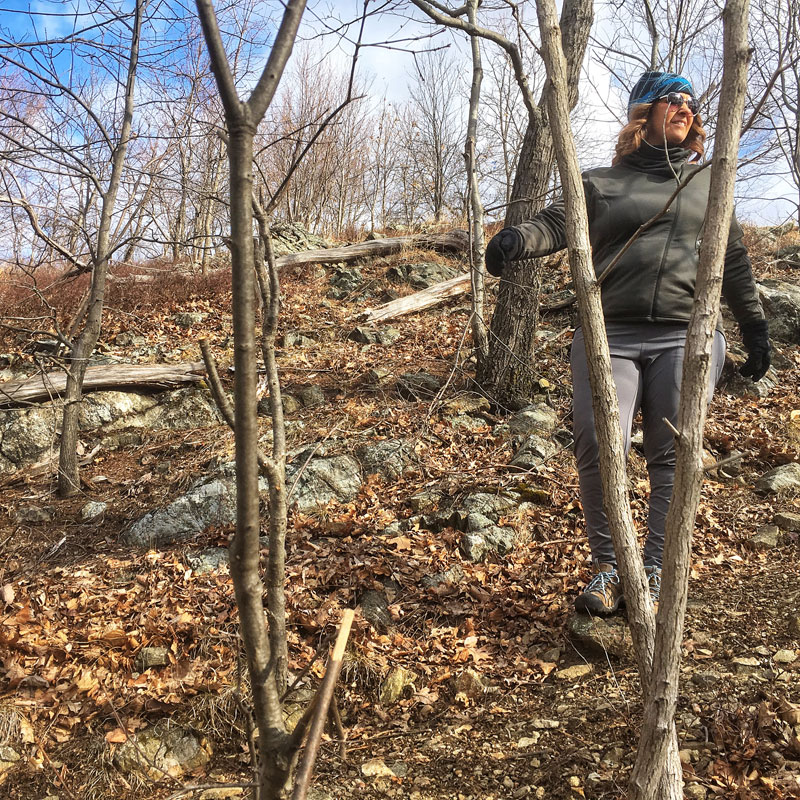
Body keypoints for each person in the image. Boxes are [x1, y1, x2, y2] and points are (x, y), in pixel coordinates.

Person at [484, 71, 771, 615]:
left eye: (691, 102)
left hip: (686, 335)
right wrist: (517, 239)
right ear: (643, 114)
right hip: (608, 333)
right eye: (671, 100)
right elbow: (557, 223)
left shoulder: (710, 180)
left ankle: (659, 568)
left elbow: (732, 259)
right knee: (598, 442)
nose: (685, 108)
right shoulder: (600, 182)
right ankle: (611, 566)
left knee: (673, 449)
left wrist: (754, 327)